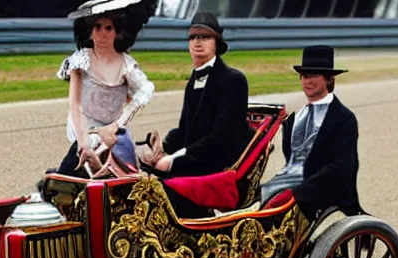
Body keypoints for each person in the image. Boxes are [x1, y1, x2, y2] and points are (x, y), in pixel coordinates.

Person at [146, 12, 254, 217]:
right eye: (194, 37)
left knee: (163, 180)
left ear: (217, 43)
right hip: (197, 157)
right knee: (142, 173)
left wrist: (173, 160)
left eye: (205, 37)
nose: (198, 42)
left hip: (218, 161)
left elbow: (222, 138)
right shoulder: (192, 81)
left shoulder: (233, 80)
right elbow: (185, 130)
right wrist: (163, 148)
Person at [54, 2, 156, 177]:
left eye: (108, 28)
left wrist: (116, 126)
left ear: (117, 32)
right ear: (90, 30)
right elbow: (75, 106)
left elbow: (145, 90)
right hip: (84, 129)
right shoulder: (80, 61)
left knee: (127, 179)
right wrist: (83, 143)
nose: (102, 34)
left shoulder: (127, 65)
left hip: (115, 132)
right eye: (97, 27)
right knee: (71, 173)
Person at [261, 45, 362, 220]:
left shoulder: (344, 119)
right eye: (305, 76)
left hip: (325, 190)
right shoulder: (294, 119)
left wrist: (300, 190)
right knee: (256, 201)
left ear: (329, 79)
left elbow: (343, 167)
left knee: (275, 204)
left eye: (314, 75)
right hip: (286, 184)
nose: (308, 81)